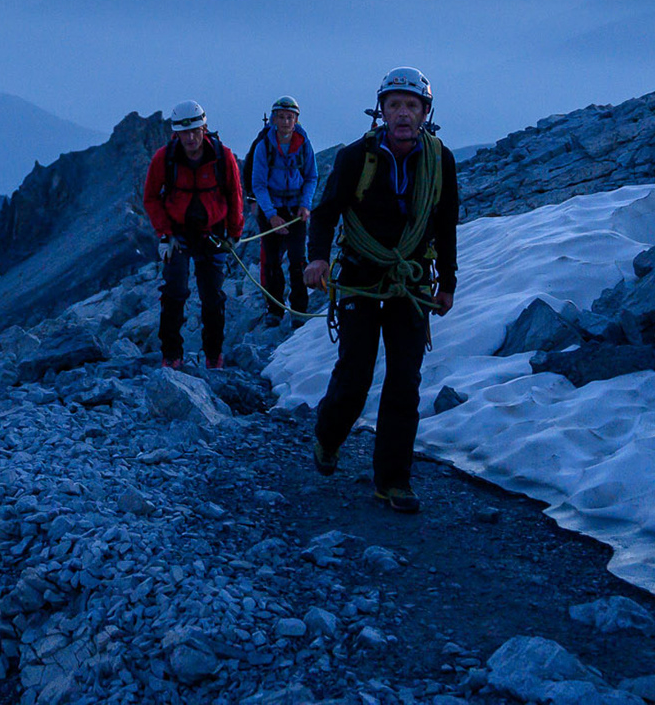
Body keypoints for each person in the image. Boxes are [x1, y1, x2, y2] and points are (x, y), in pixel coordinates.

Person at [303, 67, 459, 514]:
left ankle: (393, 482)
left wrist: (447, 283)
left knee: (404, 382)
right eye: (395, 106)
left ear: (426, 112)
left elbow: (445, 224)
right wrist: (316, 258)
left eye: (412, 106)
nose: (404, 114)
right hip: (360, 277)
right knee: (355, 375)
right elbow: (326, 210)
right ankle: (328, 436)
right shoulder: (357, 157)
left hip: (410, 281)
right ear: (382, 111)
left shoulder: (440, 160)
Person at [142, 100, 244, 370]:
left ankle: (214, 356)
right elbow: (151, 198)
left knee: (212, 296)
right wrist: (165, 233)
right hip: (178, 233)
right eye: (183, 133)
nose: (190, 138)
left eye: (195, 131)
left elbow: (235, 196)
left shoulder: (224, 157)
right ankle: (172, 356)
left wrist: (234, 233)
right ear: (176, 133)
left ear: (204, 128)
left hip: (213, 234)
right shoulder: (164, 159)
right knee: (175, 291)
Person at [247, 95, 316, 326]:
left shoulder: (304, 145)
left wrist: (305, 204)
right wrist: (271, 215)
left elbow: (311, 177)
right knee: (272, 263)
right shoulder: (264, 147)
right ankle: (274, 310)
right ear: (274, 119)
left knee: (298, 260)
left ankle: (299, 310)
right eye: (281, 117)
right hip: (273, 209)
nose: (286, 122)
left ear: (296, 120)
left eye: (290, 117)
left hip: (296, 210)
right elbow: (259, 184)